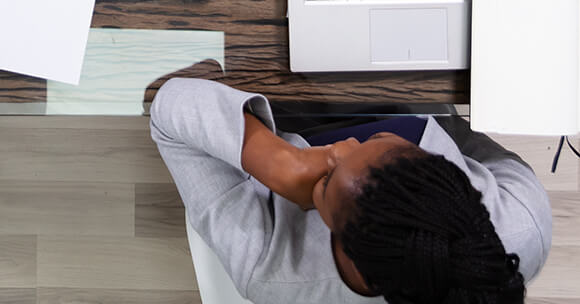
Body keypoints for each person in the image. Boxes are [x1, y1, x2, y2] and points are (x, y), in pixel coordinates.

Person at [150, 76, 550, 303]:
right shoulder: (525, 221)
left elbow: (170, 109)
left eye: (327, 187)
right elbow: (469, 139)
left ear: (353, 266)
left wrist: (283, 162)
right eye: (393, 147)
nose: (345, 147)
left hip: (270, 119)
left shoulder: (271, 274)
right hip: (411, 95)